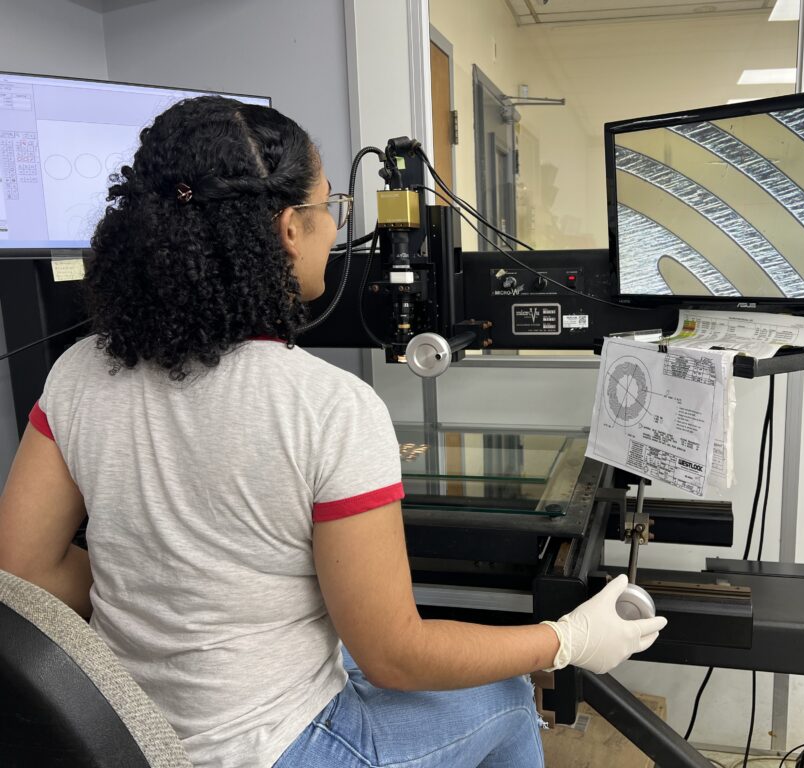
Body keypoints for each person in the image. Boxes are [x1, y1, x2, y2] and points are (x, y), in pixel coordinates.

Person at [0, 96, 666, 768]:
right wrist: (568, 639)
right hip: (269, 751)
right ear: (291, 228)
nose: (334, 229)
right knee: (503, 697)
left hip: (131, 735)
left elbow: (24, 570)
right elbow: (397, 656)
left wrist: (157, 581)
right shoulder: (328, 406)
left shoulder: (80, 371)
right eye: (331, 208)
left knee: (346, 650)